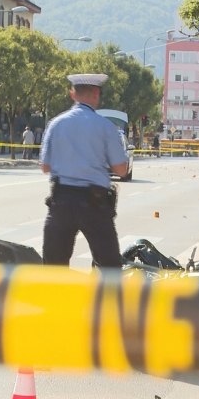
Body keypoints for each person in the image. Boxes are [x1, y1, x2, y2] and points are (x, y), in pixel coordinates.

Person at [39, 73, 129, 269]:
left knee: (53, 269)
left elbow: (45, 167)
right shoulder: (106, 127)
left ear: (73, 94)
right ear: (96, 94)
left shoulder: (56, 124)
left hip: (61, 202)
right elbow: (121, 170)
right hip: (94, 205)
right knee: (109, 268)